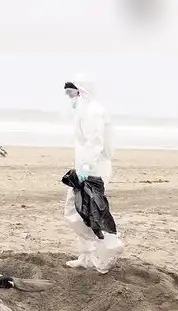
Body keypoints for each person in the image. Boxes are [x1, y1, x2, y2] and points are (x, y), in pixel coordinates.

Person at [62, 73, 125, 274]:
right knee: (83, 210)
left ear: (82, 91)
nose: (70, 99)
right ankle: (87, 256)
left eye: (72, 93)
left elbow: (95, 142)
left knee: (80, 210)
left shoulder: (93, 111)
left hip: (93, 168)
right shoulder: (86, 110)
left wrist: (86, 168)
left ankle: (109, 243)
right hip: (87, 167)